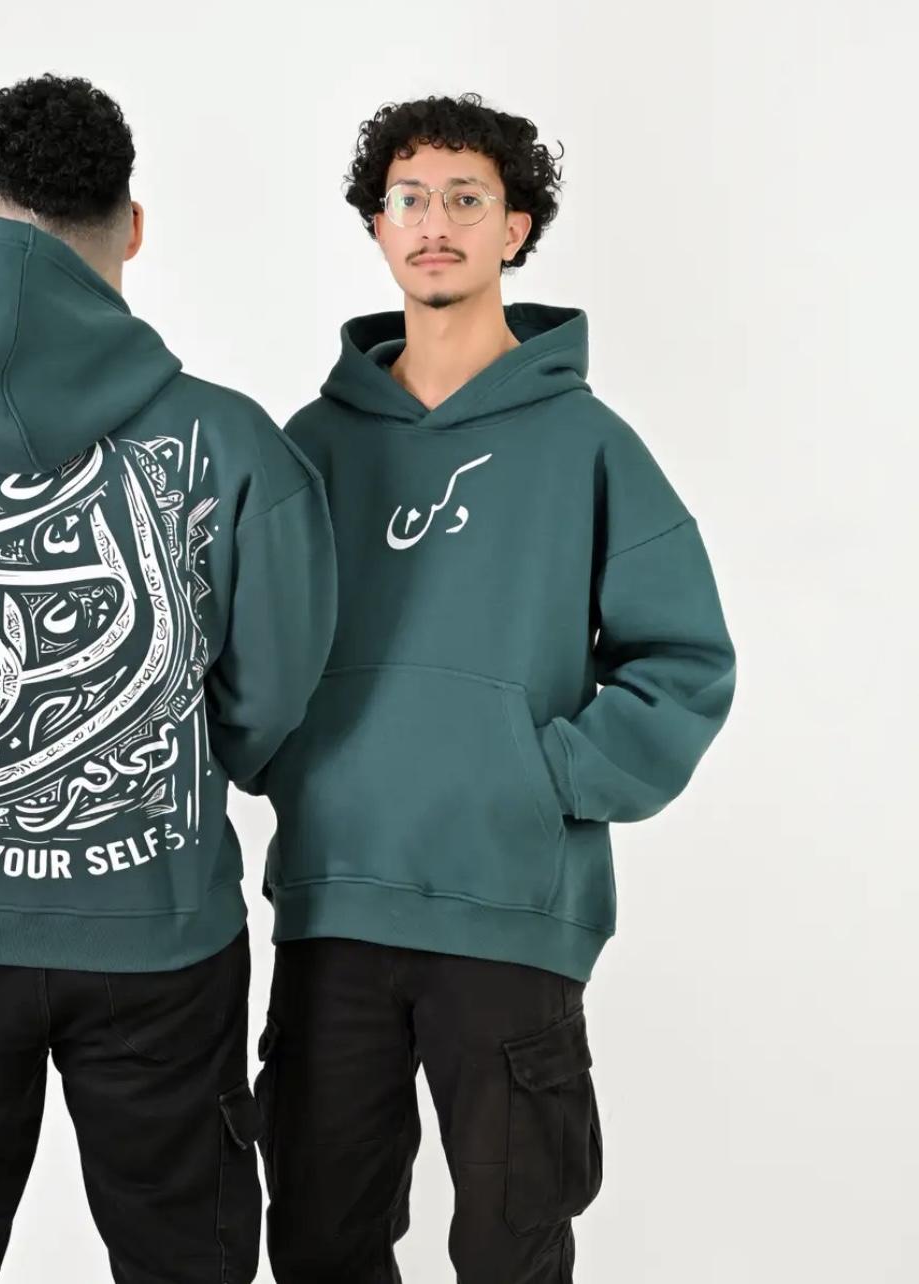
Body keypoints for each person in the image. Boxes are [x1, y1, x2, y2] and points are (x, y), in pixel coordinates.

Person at [0, 73, 336, 1284]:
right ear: (132, 227)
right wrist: (185, 754)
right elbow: (278, 691)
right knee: (185, 1258)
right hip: (161, 932)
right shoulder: (234, 442)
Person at [249, 92, 737, 1282]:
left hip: (511, 912)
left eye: (466, 198)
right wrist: (284, 759)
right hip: (334, 906)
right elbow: (240, 642)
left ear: (515, 228)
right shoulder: (311, 443)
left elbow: (686, 661)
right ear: (377, 226)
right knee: (319, 1243)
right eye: (409, 198)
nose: (435, 222)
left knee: (512, 1251)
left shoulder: (588, 442)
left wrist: (544, 774)